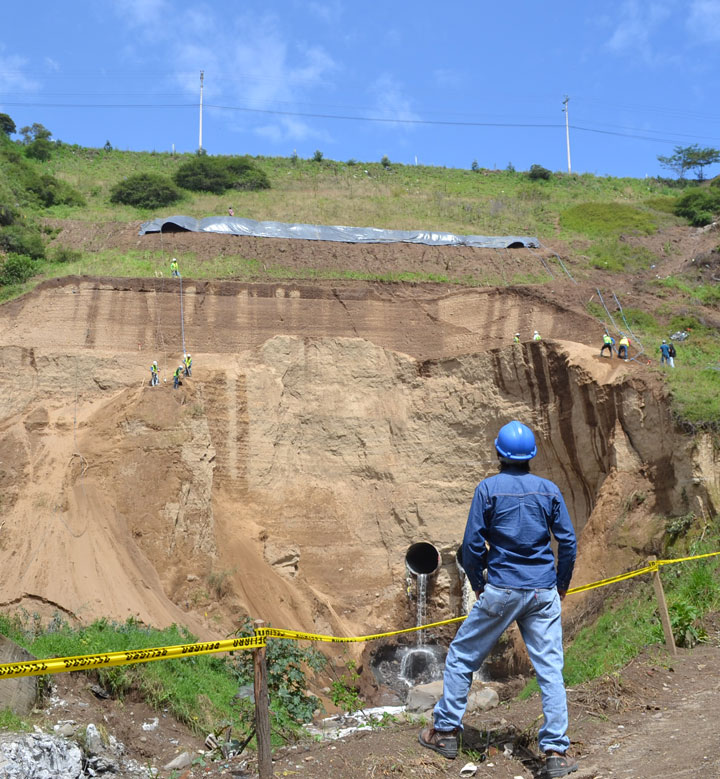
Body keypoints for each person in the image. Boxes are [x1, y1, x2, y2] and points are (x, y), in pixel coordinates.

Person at [418, 420, 577, 778]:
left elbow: (472, 547)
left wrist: (478, 584)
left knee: (461, 657)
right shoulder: (548, 490)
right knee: (550, 670)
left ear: (499, 453)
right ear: (532, 455)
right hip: (541, 591)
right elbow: (567, 542)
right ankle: (554, 752)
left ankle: (444, 733)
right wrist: (560, 583)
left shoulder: (487, 490)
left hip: (502, 589)